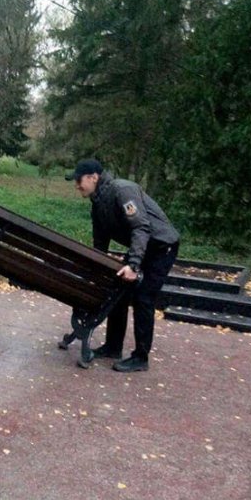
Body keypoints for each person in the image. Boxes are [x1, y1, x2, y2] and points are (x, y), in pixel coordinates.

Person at [66, 159, 179, 373]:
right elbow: (100, 242)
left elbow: (141, 228)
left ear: (93, 177)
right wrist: (98, 269)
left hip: (161, 247)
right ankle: (113, 347)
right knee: (117, 290)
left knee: (143, 298)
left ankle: (141, 358)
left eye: (79, 180)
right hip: (144, 247)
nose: (76, 186)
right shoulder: (98, 203)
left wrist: (133, 266)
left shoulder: (123, 190)